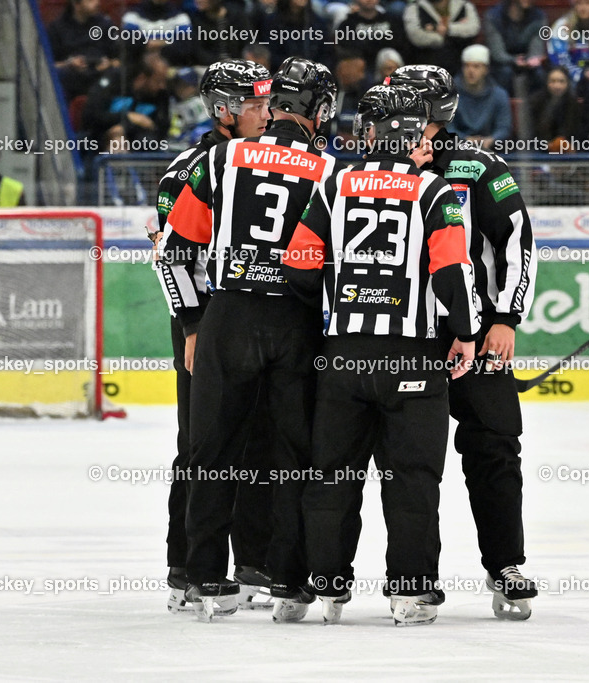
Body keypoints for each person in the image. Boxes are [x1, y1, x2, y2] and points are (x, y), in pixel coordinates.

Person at [281, 82, 481, 626]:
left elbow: (298, 267)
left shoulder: (336, 184)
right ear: (413, 135)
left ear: (371, 133)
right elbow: (451, 272)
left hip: (343, 357)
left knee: (333, 475)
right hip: (413, 357)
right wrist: (465, 332)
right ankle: (410, 593)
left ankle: (326, 587)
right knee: (413, 478)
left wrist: (337, 304)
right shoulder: (437, 192)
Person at [164, 57, 339, 623]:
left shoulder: (219, 157)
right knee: (292, 454)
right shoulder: (330, 170)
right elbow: (336, 262)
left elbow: (175, 246)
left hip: (229, 313)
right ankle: (289, 582)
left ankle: (206, 580)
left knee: (211, 450)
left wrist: (194, 322)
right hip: (296, 320)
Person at [387, 64, 539, 620]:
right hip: (402, 339)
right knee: (403, 462)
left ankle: (506, 565)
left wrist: (505, 317)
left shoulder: (479, 167)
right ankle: (396, 577)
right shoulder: (374, 168)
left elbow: (518, 242)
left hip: (474, 336)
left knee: (495, 447)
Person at [152, 59, 276, 615]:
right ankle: (187, 567)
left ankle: (253, 560)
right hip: (205, 322)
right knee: (201, 445)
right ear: (223, 109)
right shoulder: (187, 170)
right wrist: (194, 325)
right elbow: (171, 255)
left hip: (258, 319)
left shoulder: (271, 161)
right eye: (253, 105)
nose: (265, 113)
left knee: (259, 441)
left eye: (266, 104)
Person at [83, 52, 171, 155]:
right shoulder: (114, 82)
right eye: (158, 81)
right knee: (116, 138)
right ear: (142, 78)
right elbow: (90, 117)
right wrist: (128, 117)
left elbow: (160, 129)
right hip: (101, 140)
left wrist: (128, 127)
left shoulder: (161, 95)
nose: (162, 86)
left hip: (140, 144)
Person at [47, 0, 121, 101]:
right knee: (63, 76)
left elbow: (118, 59)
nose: (97, 3)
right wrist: (69, 63)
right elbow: (49, 65)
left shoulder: (105, 24)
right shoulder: (56, 28)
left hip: (102, 74)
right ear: (76, 4)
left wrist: (109, 63)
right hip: (74, 77)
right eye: (90, 0)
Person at [451, 44, 514, 150]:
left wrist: (492, 139)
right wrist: (464, 139)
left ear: (486, 69)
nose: (470, 71)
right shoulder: (450, 94)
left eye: (476, 66)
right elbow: (447, 127)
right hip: (457, 148)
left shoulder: (499, 95)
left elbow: (504, 127)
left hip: (491, 148)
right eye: (467, 66)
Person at [482, 0, 548, 99]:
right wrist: (514, 60)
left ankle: (536, 110)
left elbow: (536, 48)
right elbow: (497, 53)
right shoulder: (493, 16)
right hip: (501, 62)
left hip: (526, 61)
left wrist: (531, 60)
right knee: (505, 73)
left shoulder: (538, 17)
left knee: (539, 74)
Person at [403, 0, 481, 75]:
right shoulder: (414, 7)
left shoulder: (464, 5)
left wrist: (446, 28)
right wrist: (442, 38)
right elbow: (417, 36)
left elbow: (473, 28)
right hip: (427, 67)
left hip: (460, 67)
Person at [527, 65, 583, 149]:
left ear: (567, 83)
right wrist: (545, 145)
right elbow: (530, 132)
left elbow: (577, 132)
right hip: (538, 148)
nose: (557, 86)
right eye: (553, 81)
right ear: (546, 83)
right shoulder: (535, 102)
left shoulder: (573, 103)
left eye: (561, 81)